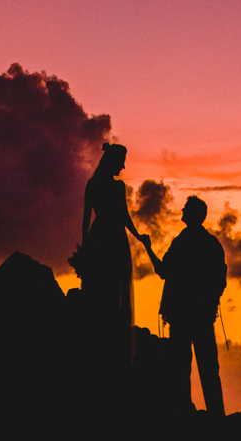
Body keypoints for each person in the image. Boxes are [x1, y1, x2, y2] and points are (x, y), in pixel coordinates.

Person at [143, 195, 227, 417]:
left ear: (192, 215)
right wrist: (209, 303)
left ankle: (184, 416)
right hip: (202, 317)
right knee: (209, 370)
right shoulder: (212, 244)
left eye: (185, 209)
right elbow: (220, 280)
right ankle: (217, 418)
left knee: (181, 369)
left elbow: (162, 271)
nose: (181, 211)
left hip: (181, 316)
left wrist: (149, 248)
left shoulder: (180, 243)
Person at [79, 141, 150, 367]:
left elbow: (121, 217)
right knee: (106, 290)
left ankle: (105, 342)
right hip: (108, 239)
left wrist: (138, 236)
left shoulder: (105, 185)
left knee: (111, 289)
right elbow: (89, 216)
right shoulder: (107, 186)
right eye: (121, 162)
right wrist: (86, 248)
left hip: (104, 236)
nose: (123, 167)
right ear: (113, 161)